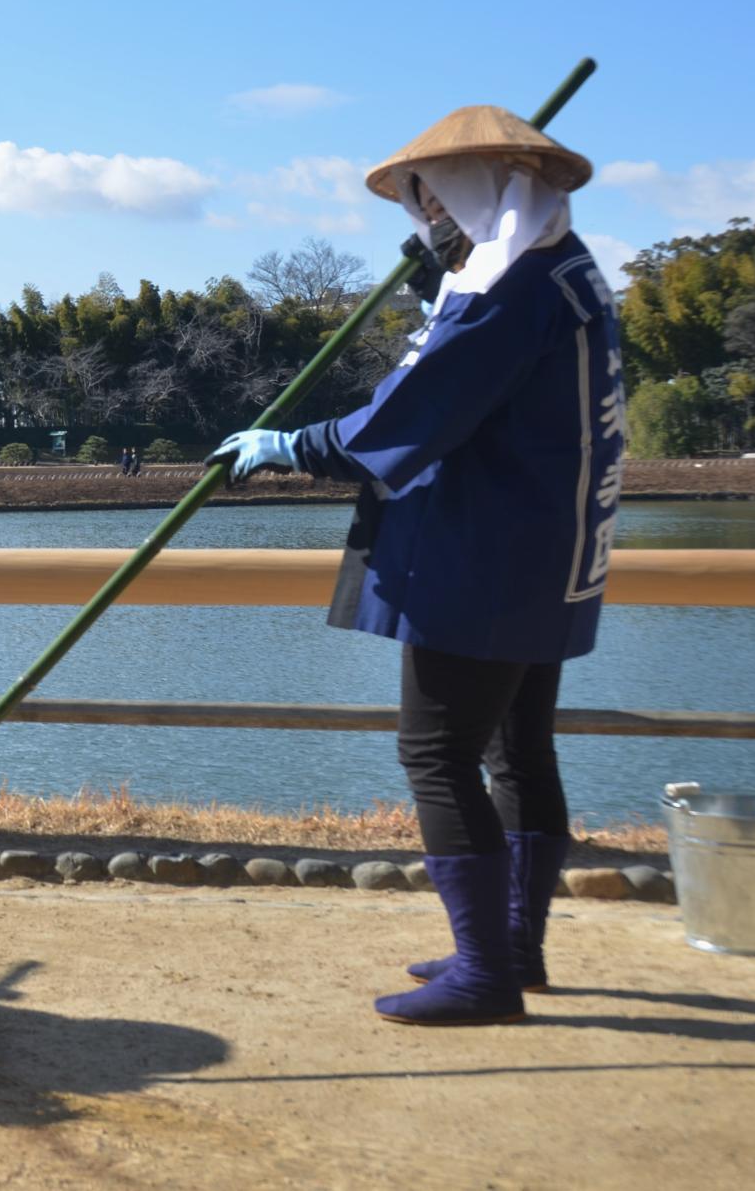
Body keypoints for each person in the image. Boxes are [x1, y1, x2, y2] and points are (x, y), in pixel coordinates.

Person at [205, 106, 625, 1026]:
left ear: (473, 189)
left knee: (436, 753)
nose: (421, 218)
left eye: (428, 197)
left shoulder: (512, 290)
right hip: (546, 553)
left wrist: (295, 443)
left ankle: (486, 971)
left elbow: (419, 411)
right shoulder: (567, 274)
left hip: (485, 558)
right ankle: (512, 946)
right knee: (519, 751)